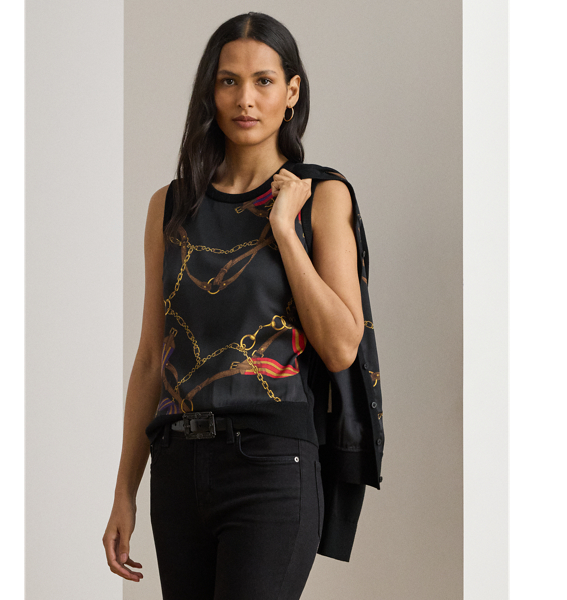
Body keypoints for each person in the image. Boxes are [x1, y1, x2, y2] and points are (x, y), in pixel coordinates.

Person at [102, 11, 365, 600]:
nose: (245, 99)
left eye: (263, 81)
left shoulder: (321, 196)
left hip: (271, 467)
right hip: (177, 468)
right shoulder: (169, 207)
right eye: (229, 81)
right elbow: (151, 358)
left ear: (291, 92)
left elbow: (341, 346)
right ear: (211, 91)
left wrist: (284, 228)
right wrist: (124, 490)